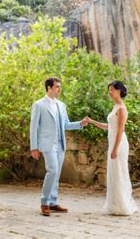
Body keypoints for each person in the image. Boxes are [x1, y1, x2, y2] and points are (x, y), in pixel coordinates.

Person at [30, 77, 88, 216]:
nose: (59, 89)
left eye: (59, 86)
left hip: (60, 144)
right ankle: (44, 202)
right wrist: (34, 147)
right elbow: (33, 127)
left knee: (56, 174)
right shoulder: (38, 105)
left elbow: (66, 124)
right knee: (53, 171)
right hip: (47, 144)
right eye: (56, 86)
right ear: (49, 88)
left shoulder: (61, 105)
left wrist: (80, 123)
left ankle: (53, 202)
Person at [85, 80, 138, 216]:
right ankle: (115, 204)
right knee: (113, 173)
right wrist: (92, 122)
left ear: (118, 91)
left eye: (111, 90)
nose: (109, 92)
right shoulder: (115, 107)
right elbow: (109, 126)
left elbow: (120, 130)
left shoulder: (121, 108)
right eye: (108, 90)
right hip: (113, 142)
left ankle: (122, 205)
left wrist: (115, 149)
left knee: (119, 172)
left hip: (118, 144)